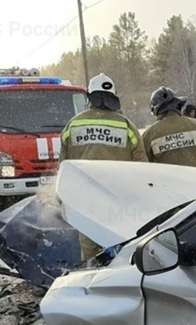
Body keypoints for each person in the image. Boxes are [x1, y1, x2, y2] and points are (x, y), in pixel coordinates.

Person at [59, 72, 147, 261]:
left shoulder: (73, 125)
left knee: (90, 250)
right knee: (121, 248)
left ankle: (92, 279)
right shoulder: (127, 126)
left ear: (90, 97)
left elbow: (63, 169)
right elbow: (143, 169)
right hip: (119, 203)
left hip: (87, 202)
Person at [142, 86, 196, 167]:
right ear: (177, 104)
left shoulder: (149, 134)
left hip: (167, 181)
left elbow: (142, 164)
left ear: (155, 110)